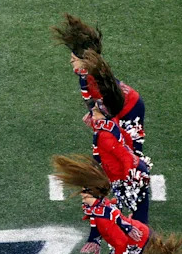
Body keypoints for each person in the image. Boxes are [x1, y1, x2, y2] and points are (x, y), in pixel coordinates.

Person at [51, 14, 146, 154]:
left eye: (74, 58)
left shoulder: (94, 78)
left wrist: (97, 116)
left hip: (131, 109)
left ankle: (140, 174)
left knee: (132, 151)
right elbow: (92, 100)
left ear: (84, 60)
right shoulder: (85, 75)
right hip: (117, 107)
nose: (71, 62)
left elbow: (108, 105)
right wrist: (93, 113)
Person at [87, 95, 151, 224]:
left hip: (131, 174)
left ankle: (144, 239)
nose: (92, 110)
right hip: (130, 171)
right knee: (131, 209)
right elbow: (126, 136)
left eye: (95, 109)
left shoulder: (105, 136)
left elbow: (124, 157)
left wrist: (128, 177)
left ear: (103, 114)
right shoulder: (109, 124)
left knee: (139, 219)